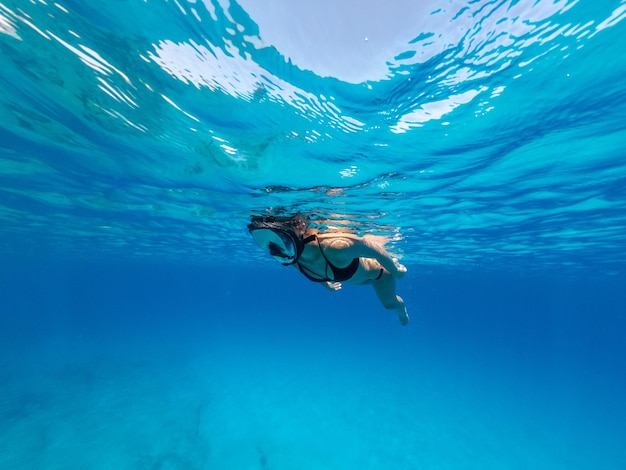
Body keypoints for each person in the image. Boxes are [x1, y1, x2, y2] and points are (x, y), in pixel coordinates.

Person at [248, 214, 410, 325]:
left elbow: (371, 248)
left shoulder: (335, 246)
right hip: (355, 278)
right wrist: (326, 284)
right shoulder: (289, 256)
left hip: (379, 274)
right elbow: (309, 270)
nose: (276, 252)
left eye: (282, 243)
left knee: (389, 305)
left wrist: (395, 270)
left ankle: (402, 310)